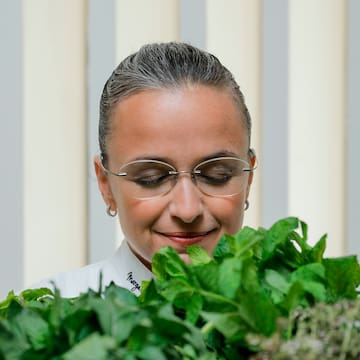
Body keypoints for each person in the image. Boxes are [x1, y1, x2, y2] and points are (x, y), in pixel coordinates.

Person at [33, 42, 257, 298]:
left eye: (217, 176)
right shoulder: (45, 311)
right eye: (152, 179)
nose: (187, 210)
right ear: (105, 185)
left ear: (248, 178)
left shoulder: (301, 311)